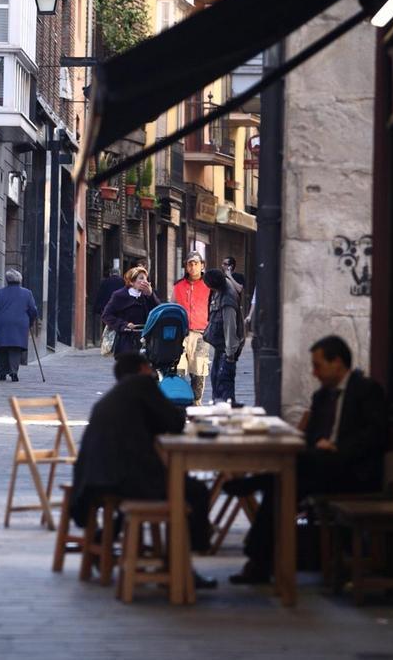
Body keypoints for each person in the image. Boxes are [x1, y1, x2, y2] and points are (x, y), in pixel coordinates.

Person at [226, 336, 386, 584]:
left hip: (353, 472)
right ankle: (258, 557)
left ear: (338, 363)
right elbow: (309, 440)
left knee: (282, 480)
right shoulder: (322, 397)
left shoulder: (366, 391)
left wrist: (337, 447)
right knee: (282, 484)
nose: (314, 372)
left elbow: (374, 435)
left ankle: (258, 491)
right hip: (320, 469)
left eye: (318, 365)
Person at [70, 353, 217, 589]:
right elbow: (173, 422)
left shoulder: (116, 396)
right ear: (142, 369)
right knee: (194, 490)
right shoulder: (142, 384)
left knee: (164, 483)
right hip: (122, 478)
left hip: (93, 479)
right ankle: (183, 564)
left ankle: (106, 540)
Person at [172, 252, 211, 405]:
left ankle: (196, 402)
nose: (193, 267)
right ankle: (180, 402)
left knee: (198, 371)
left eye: (196, 263)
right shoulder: (178, 286)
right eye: (190, 264)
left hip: (202, 334)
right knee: (178, 370)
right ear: (186, 266)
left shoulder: (209, 286)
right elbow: (172, 306)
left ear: (202, 265)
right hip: (180, 334)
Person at [202, 268, 244, 404]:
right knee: (216, 378)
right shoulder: (222, 287)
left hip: (227, 349)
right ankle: (220, 403)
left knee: (223, 381)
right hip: (221, 346)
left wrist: (230, 354)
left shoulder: (227, 299)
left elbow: (230, 328)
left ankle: (224, 407)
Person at [100, 266, 160, 356]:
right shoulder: (119, 295)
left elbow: (158, 312)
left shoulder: (147, 295)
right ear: (132, 282)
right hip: (125, 341)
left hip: (144, 340)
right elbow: (106, 315)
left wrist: (151, 295)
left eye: (146, 279)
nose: (145, 282)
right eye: (141, 278)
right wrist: (124, 325)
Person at [0, 269, 38, 382]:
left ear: (7, 280)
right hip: (19, 324)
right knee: (15, 348)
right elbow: (33, 310)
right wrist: (30, 321)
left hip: (2, 323)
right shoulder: (27, 293)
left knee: (2, 347)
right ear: (20, 279)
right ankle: (14, 372)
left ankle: (2, 373)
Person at [91, 267, 124, 345]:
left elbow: (100, 295)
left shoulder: (105, 282)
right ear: (119, 273)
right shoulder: (123, 282)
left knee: (107, 325)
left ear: (110, 274)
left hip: (107, 308)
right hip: (120, 308)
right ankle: (117, 342)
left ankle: (107, 343)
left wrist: (96, 308)